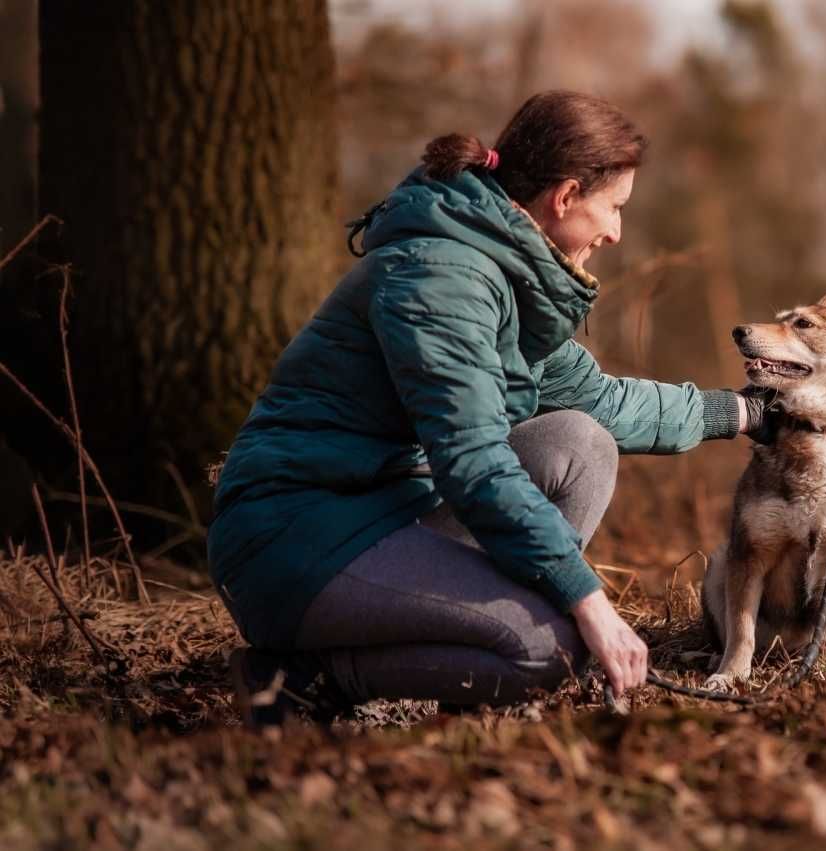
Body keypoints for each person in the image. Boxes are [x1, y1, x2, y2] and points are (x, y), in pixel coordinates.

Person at [209, 90, 773, 725]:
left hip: (387, 510)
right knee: (551, 648)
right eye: (614, 209)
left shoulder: (508, 276)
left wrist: (745, 413)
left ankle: (473, 681)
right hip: (298, 534)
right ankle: (301, 682)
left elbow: (600, 402)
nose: (617, 232)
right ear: (564, 197)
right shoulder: (443, 278)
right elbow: (474, 462)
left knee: (580, 442)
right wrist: (584, 598)